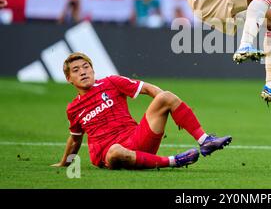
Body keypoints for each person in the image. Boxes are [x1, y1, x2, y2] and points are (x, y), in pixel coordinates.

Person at [51, 52, 232, 169]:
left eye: (86, 67)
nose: (83, 72)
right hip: (109, 153)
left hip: (137, 137)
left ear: (93, 69)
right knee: (115, 151)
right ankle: (173, 161)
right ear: (69, 79)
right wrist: (64, 162)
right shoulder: (73, 108)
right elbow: (75, 139)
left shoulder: (111, 82)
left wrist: (172, 109)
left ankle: (205, 140)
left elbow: (148, 89)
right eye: (76, 70)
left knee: (166, 96)